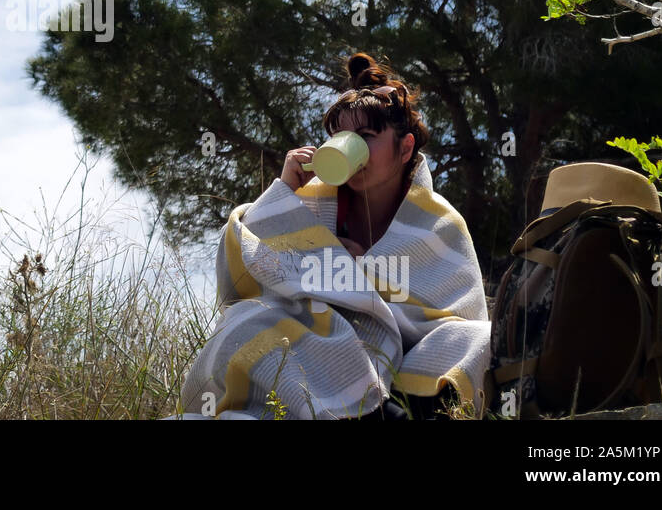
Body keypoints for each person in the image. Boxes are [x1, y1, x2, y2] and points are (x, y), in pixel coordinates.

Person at [174, 51, 491, 420]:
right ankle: (355, 409)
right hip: (317, 341)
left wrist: (360, 278)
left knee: (479, 339)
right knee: (248, 321)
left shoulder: (439, 223)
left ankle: (401, 409)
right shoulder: (312, 201)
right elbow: (240, 279)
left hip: (406, 360)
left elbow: (453, 318)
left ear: (405, 148)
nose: (349, 146)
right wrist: (283, 193)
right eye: (340, 136)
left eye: (366, 136)